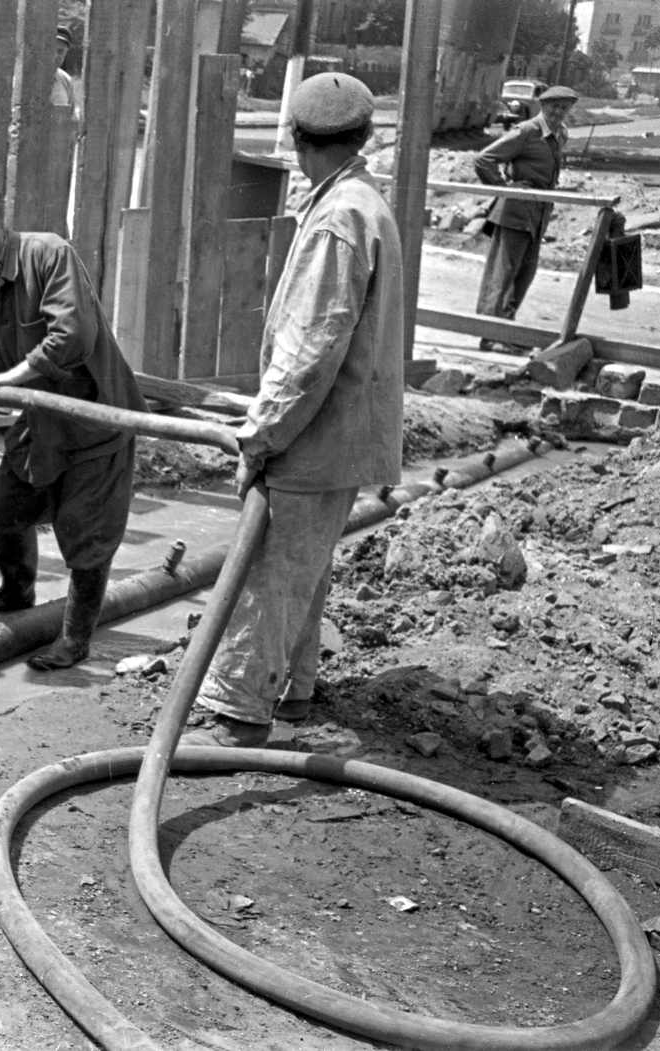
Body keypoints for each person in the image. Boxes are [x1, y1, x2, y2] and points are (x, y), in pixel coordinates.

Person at [185, 73, 404, 748]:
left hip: (315, 433)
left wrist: (260, 434)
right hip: (343, 435)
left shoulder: (340, 219)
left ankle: (240, 712)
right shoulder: (363, 201)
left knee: (271, 570)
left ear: (301, 142)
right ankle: (297, 693)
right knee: (306, 567)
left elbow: (312, 346)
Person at [0, 172, 147, 671]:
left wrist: (12, 374)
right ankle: (16, 595)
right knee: (3, 509)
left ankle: (74, 640)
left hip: (96, 420)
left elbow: (72, 335)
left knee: (86, 540)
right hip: (42, 424)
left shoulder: (49, 255)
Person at [473, 84, 577, 353]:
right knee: (502, 274)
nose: (558, 112)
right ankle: (489, 334)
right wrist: (504, 186)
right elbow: (484, 159)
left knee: (525, 275)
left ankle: (505, 331)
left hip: (539, 214)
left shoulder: (559, 134)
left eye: (564, 108)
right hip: (515, 212)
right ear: (542, 106)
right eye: (554, 106)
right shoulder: (527, 131)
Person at [51, 25, 82, 121]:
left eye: (61, 51)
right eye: (52, 50)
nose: (56, 55)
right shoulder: (24, 78)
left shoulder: (66, 80)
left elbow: (72, 118)